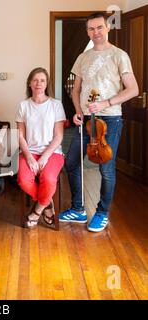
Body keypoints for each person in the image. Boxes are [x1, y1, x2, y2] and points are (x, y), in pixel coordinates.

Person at [59, 12, 139, 232]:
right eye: (91, 29)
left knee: (106, 167)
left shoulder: (119, 55)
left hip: (110, 119)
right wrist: (77, 111)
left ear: (107, 28)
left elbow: (133, 89)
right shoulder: (83, 58)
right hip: (85, 119)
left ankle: (102, 212)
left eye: (99, 27)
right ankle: (78, 209)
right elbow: (75, 90)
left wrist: (106, 103)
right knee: (72, 162)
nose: (95, 33)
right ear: (87, 32)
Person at [16, 67, 66, 229]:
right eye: (35, 80)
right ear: (30, 83)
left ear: (47, 84)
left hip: (52, 153)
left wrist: (44, 157)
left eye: (42, 80)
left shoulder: (56, 105)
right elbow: (20, 136)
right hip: (29, 152)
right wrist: (30, 157)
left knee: (49, 179)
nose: (39, 83)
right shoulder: (23, 105)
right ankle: (47, 203)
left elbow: (59, 136)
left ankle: (37, 211)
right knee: (24, 180)